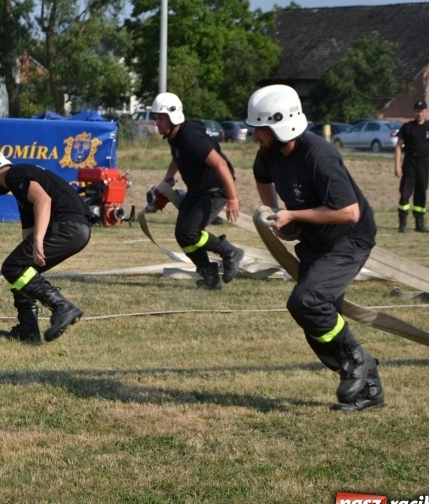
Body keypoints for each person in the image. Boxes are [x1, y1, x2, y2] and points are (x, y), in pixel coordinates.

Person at [246, 84, 383, 411]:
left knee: (308, 300)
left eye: (260, 129)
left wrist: (293, 214)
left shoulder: (319, 155)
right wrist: (276, 214)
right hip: (315, 240)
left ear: (280, 125)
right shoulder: (269, 153)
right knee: (307, 312)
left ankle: (357, 359)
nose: (255, 136)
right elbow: (262, 178)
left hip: (348, 238)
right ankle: (370, 388)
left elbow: (350, 211)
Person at [0, 146, 91, 343]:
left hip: (69, 226)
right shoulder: (20, 189)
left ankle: (62, 306)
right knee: (21, 271)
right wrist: (27, 253)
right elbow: (28, 231)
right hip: (76, 229)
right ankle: (28, 330)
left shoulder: (14, 175)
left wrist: (37, 243)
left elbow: (43, 201)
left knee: (12, 267)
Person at [151, 92, 245, 290]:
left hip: (215, 190)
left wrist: (233, 198)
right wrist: (168, 177)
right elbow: (178, 155)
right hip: (198, 190)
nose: (156, 123)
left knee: (189, 232)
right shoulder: (174, 134)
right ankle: (209, 276)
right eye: (156, 117)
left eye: (160, 118)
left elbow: (220, 164)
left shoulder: (191, 137)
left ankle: (230, 252)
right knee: (182, 234)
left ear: (173, 116)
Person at [393, 100, 429, 233]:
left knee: (421, 193)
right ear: (414, 112)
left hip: (424, 163)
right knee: (405, 193)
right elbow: (398, 147)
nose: (420, 114)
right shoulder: (407, 127)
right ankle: (402, 223)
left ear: (426, 112)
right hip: (410, 162)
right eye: (418, 111)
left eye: (423, 111)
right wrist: (397, 166)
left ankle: (419, 223)